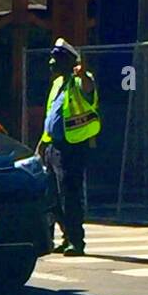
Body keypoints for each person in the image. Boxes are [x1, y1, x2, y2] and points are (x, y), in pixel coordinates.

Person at [37, 37, 100, 256]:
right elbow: (51, 115)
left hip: (73, 147)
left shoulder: (80, 80)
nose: (52, 63)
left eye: (56, 59)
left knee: (70, 195)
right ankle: (65, 236)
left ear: (68, 62)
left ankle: (76, 240)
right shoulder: (56, 84)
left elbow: (89, 90)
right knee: (53, 195)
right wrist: (43, 144)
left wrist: (81, 74)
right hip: (53, 147)